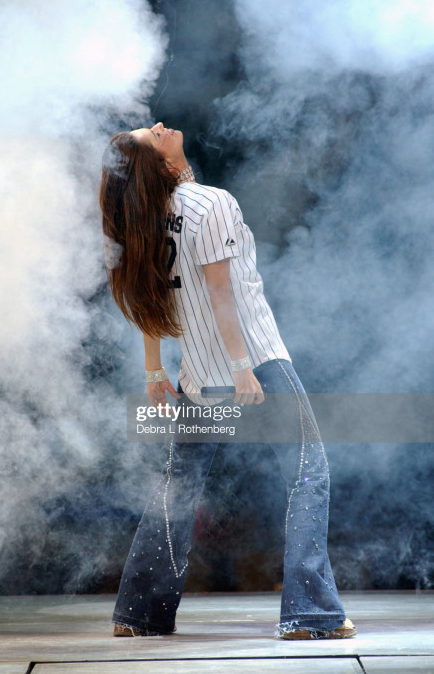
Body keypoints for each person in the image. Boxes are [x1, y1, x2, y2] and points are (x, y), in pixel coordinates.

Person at [99, 121, 356, 640]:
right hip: (255, 360)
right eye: (151, 135)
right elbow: (222, 295)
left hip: (195, 373)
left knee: (179, 486)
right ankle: (310, 613)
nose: (159, 125)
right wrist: (243, 368)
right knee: (309, 475)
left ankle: (140, 614)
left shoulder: (140, 217)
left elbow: (146, 298)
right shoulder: (210, 203)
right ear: (161, 165)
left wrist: (155, 371)